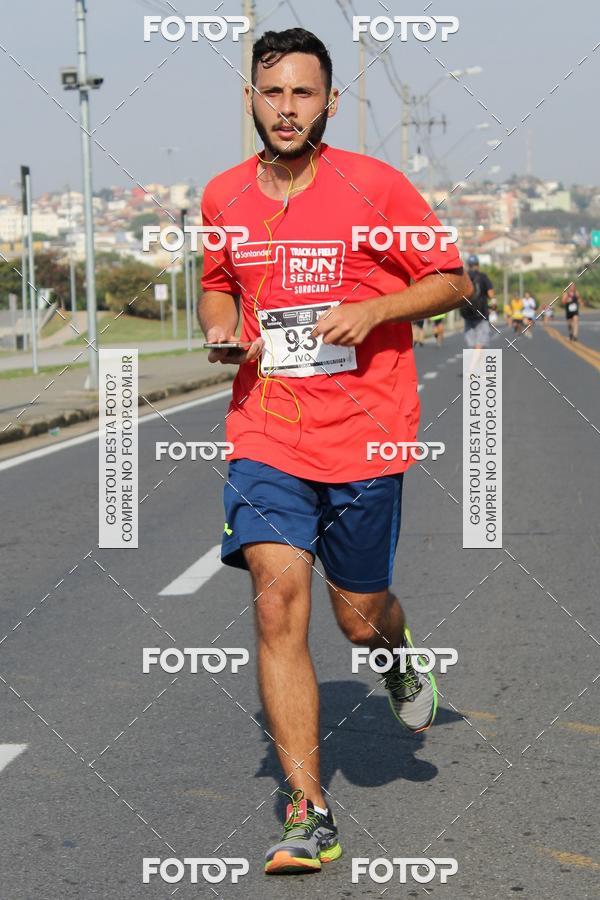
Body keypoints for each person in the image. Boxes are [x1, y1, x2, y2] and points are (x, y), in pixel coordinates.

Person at [198, 27, 473, 876]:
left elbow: (455, 278)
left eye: (303, 93)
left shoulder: (375, 185)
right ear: (250, 98)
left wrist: (377, 310)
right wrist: (219, 328)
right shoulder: (223, 196)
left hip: (364, 434)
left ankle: (394, 650)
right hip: (267, 433)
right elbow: (216, 282)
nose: (286, 109)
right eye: (272, 92)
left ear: (329, 103)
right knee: (280, 602)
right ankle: (309, 810)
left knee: (356, 616)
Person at [462, 255, 494, 348]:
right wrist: (493, 305)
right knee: (480, 343)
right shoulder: (483, 277)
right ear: (478, 265)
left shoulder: (464, 277)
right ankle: (474, 363)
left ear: (468, 265)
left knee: (472, 344)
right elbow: (491, 294)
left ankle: (476, 360)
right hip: (482, 313)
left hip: (467, 313)